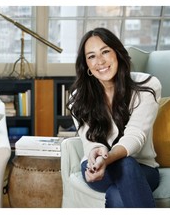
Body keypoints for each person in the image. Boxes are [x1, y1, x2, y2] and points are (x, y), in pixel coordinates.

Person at [67, 27, 162, 208]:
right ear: (86, 65)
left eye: (105, 52)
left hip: (143, 168)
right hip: (96, 168)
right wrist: (96, 154)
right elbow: (90, 141)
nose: (100, 61)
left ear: (117, 53)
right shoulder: (78, 98)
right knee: (124, 168)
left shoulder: (147, 86)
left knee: (118, 190)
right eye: (91, 56)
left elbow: (135, 137)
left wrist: (108, 158)